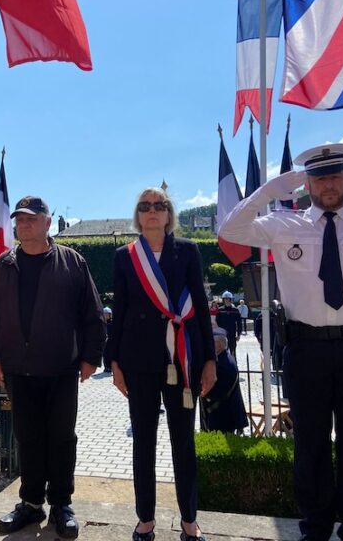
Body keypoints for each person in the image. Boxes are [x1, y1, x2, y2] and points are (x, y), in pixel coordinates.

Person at [219, 143, 343, 541]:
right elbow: (229, 231)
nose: (328, 185)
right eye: (320, 178)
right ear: (307, 183)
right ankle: (316, 529)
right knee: (310, 446)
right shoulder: (283, 225)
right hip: (307, 349)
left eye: (335, 177)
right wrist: (267, 192)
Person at [0, 196, 105, 539]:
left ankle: (62, 504)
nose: (24, 225)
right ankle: (31, 503)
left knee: (62, 438)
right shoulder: (2, 265)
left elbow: (92, 314)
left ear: (48, 223)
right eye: (19, 220)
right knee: (28, 438)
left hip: (61, 368)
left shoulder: (73, 263)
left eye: (32, 220)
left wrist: (91, 357)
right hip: (18, 370)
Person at [107, 187, 216, 541]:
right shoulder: (125, 256)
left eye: (159, 206)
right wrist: (114, 361)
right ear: (138, 215)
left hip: (183, 359)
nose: (152, 211)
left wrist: (210, 361)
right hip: (139, 362)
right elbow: (120, 311)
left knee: (184, 442)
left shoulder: (188, 251)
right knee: (144, 443)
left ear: (169, 214)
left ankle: (189, 520)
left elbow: (200, 305)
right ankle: (145, 520)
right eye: (145, 206)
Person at [200, 328, 247, 434]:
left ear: (220, 345)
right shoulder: (225, 358)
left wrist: (201, 391)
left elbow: (216, 392)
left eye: (212, 343)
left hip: (223, 416)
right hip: (225, 414)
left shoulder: (222, 364)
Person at [215, 291, 242, 357]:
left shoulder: (235, 310)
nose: (227, 301)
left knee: (233, 351)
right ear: (223, 300)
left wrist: (238, 334)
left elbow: (239, 323)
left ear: (231, 300)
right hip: (223, 334)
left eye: (228, 299)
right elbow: (217, 322)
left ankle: (234, 364)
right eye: (225, 299)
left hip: (232, 334)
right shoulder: (220, 310)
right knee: (222, 351)